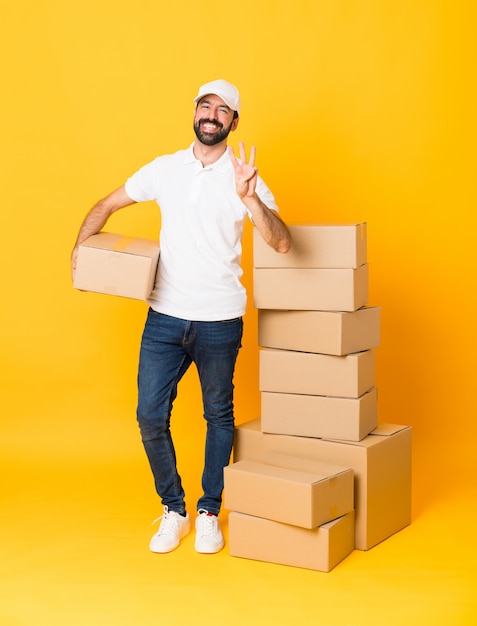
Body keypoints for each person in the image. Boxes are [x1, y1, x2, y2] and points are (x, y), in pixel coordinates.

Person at [71, 79, 291, 555]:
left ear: (234, 122)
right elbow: (108, 204)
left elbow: (281, 242)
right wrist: (80, 248)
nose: (212, 115)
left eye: (223, 110)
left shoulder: (244, 175)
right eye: (205, 106)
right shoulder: (165, 169)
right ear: (195, 113)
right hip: (165, 318)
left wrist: (250, 196)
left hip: (219, 319)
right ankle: (175, 509)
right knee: (150, 415)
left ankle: (209, 510)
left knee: (218, 416)